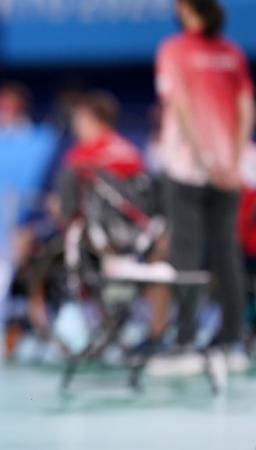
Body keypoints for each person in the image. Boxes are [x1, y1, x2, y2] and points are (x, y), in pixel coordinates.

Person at [151, 0, 254, 375]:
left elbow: (179, 105)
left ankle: (186, 344)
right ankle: (232, 343)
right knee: (227, 256)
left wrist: (204, 158)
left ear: (185, 9)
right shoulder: (232, 53)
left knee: (187, 258)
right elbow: (246, 109)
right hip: (229, 172)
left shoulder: (174, 50)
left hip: (188, 171)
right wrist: (233, 159)